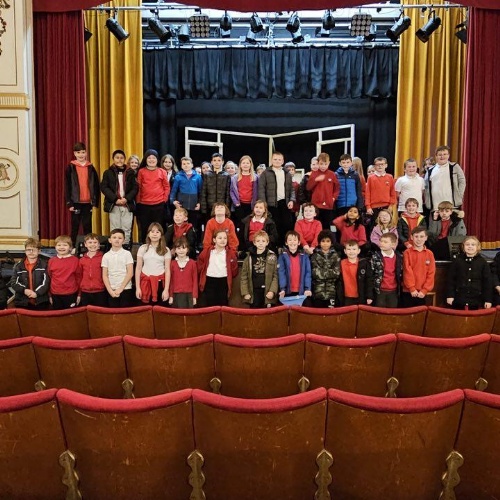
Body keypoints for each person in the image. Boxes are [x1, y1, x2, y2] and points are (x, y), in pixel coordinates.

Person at [65, 142, 100, 246]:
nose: (81, 155)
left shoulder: (90, 167)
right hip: (76, 202)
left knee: (87, 225)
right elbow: (67, 186)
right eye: (78, 152)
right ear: (74, 153)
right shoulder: (71, 167)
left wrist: (95, 201)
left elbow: (96, 185)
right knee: (75, 226)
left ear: (86, 153)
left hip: (88, 202)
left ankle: (89, 246)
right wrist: (69, 203)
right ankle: (72, 246)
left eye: (83, 152)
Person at [100, 149, 137, 246]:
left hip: (127, 204)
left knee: (127, 228)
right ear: (113, 159)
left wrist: (126, 199)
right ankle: (115, 247)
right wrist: (115, 199)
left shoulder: (130, 172)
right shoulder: (108, 172)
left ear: (124, 159)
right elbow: (104, 187)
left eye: (121, 158)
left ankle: (125, 247)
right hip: (114, 205)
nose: (119, 160)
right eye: (117, 158)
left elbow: (135, 188)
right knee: (115, 228)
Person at [258, 151, 295, 246]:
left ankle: (285, 245)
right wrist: (263, 204)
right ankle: (275, 246)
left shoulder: (287, 173)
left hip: (285, 203)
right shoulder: (265, 173)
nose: (277, 161)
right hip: (271, 204)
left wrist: (291, 200)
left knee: (287, 224)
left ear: (283, 161)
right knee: (275, 225)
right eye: (275, 159)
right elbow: (261, 189)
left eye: (279, 159)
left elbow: (292, 189)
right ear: (271, 160)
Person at [446, 236, 493, 310]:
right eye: (467, 244)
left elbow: (487, 282)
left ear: (478, 247)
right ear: (463, 246)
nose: (470, 246)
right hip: (459, 298)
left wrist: (488, 300)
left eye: (473, 244)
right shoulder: (457, 261)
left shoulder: (483, 262)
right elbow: (451, 280)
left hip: (476, 299)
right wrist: (450, 295)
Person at [136, 149, 170, 243]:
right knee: (145, 228)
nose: (151, 160)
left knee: (159, 227)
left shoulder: (162, 171)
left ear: (157, 159)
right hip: (144, 205)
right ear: (145, 159)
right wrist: (138, 202)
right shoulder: (141, 171)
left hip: (159, 204)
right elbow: (138, 187)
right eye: (149, 158)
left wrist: (164, 199)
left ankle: (159, 246)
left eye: (154, 158)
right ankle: (145, 246)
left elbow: (166, 187)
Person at [198, 229, 239, 306]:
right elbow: (200, 264)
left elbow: (234, 269)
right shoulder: (207, 252)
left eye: (225, 238)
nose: (223, 240)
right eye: (220, 238)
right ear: (214, 240)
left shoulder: (230, 253)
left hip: (223, 281)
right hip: (209, 281)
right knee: (210, 304)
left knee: (223, 303)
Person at [240, 230, 278, 308]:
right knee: (254, 313)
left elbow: (275, 276)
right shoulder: (248, 257)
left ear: (267, 242)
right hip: (253, 292)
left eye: (263, 241)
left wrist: (272, 291)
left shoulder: (272, 256)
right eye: (258, 241)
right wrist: (245, 292)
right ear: (254, 242)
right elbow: (244, 277)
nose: (261, 243)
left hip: (267, 292)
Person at [135, 223, 171, 305]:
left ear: (161, 235)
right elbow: (138, 268)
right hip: (145, 282)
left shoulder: (166, 250)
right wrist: (137, 288)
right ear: (148, 234)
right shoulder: (143, 248)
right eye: (152, 231)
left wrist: (166, 289)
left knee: (160, 310)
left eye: (157, 232)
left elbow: (167, 270)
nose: (155, 234)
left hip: (160, 283)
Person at [10, 238, 50, 309]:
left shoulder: (45, 265)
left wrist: (37, 293)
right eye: (28, 249)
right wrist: (24, 290)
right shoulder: (18, 266)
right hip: (22, 301)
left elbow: (46, 282)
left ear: (39, 251)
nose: (31, 252)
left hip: (41, 301)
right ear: (25, 251)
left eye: (34, 250)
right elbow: (13, 282)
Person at [425, 145, 466, 213]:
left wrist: (459, 195)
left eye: (444, 154)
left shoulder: (455, 167)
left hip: (451, 206)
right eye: (440, 155)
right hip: (435, 206)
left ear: (448, 155)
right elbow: (426, 187)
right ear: (436, 156)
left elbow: (462, 181)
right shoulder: (430, 170)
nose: (442, 156)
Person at [401, 228, 436, 307]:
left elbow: (431, 273)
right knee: (407, 312)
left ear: (426, 238)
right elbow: (407, 271)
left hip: (422, 292)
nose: (419, 239)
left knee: (420, 313)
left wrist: (425, 290)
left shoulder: (430, 254)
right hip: (409, 291)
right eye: (416, 236)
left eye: (421, 236)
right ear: (411, 237)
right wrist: (412, 288)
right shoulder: (407, 252)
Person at [169, 156, 203, 236]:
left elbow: (201, 191)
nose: (186, 165)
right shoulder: (178, 177)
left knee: (194, 226)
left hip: (193, 206)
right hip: (182, 206)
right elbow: (174, 191)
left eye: (188, 163)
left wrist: (200, 203)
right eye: (184, 164)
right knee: (181, 226)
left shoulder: (198, 177)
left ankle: (194, 242)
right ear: (181, 166)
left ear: (192, 165)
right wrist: (173, 201)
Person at [306, 152, 340, 229]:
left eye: (325, 164)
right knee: (316, 226)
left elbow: (337, 188)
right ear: (318, 163)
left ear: (329, 163)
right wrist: (316, 180)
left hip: (328, 206)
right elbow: (308, 188)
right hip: (316, 205)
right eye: (321, 164)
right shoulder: (314, 174)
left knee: (327, 226)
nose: (323, 166)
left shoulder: (332, 174)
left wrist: (333, 198)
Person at [230, 155, 258, 247]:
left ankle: (249, 245)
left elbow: (257, 191)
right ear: (240, 165)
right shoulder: (235, 178)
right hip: (239, 205)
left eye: (247, 163)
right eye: (243, 163)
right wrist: (236, 203)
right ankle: (240, 246)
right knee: (241, 226)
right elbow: (232, 191)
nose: (245, 165)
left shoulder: (256, 178)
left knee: (250, 226)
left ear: (251, 164)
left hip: (251, 206)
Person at [102, 228, 134, 308]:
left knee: (125, 311)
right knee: (113, 312)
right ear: (110, 240)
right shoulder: (106, 256)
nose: (117, 240)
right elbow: (104, 275)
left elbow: (130, 273)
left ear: (123, 241)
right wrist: (110, 290)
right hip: (111, 289)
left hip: (125, 288)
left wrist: (121, 288)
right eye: (114, 237)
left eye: (120, 238)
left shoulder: (127, 254)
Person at [47, 235, 81, 310]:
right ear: (55, 247)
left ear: (70, 248)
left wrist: (79, 294)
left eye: (65, 245)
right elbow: (49, 278)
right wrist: (50, 295)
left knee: (71, 315)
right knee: (57, 315)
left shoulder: (75, 261)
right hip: (55, 294)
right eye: (59, 245)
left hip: (71, 294)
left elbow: (79, 278)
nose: (61, 247)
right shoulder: (51, 261)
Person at [337, 240, 374, 306]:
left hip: (361, 296)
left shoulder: (364, 263)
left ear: (358, 251)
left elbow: (369, 280)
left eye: (354, 249)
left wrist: (369, 296)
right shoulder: (341, 263)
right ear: (345, 251)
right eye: (349, 249)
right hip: (346, 297)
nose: (351, 251)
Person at [278, 230, 312, 301]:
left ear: (299, 242)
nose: (292, 242)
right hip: (287, 292)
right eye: (290, 240)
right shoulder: (282, 256)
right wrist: (283, 289)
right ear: (286, 243)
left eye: (295, 240)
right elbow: (281, 273)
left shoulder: (304, 256)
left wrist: (307, 288)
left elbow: (308, 273)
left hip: (302, 292)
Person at [371, 232, 402, 308]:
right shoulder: (375, 256)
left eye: (385, 242)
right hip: (379, 290)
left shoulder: (398, 257)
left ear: (393, 244)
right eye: (381, 241)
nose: (382, 243)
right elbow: (371, 274)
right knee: (379, 311)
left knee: (392, 311)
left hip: (393, 290)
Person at [310, 230, 340, 308]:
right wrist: (330, 273)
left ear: (331, 242)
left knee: (331, 314)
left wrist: (322, 272)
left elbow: (336, 273)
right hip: (318, 292)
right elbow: (314, 273)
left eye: (328, 241)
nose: (325, 243)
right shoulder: (314, 256)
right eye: (323, 241)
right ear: (319, 243)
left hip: (332, 293)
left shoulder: (336, 256)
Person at [365, 157, 396, 227]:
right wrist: (368, 207)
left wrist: (391, 205)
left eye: (382, 164)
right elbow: (367, 193)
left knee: (387, 226)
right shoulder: (371, 178)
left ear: (386, 165)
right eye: (378, 164)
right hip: (374, 207)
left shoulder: (390, 177)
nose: (380, 166)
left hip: (387, 206)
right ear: (375, 166)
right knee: (375, 226)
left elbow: (392, 193)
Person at [168, 237, 198, 308]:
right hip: (176, 295)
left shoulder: (193, 263)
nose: (181, 250)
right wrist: (171, 296)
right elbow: (170, 281)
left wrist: (194, 296)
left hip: (189, 295)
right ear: (175, 250)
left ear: (187, 249)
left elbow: (195, 281)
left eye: (183, 248)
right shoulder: (172, 264)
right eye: (178, 248)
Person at [78, 233, 107, 307]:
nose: (92, 244)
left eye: (95, 242)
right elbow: (79, 277)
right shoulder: (81, 260)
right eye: (90, 242)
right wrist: (79, 294)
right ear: (85, 244)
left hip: (100, 291)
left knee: (100, 312)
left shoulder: (103, 258)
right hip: (85, 291)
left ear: (99, 244)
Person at [160, 154, 178, 225]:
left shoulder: (176, 174)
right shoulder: (159, 172)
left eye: (169, 162)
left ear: (173, 163)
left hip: (172, 201)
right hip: (161, 200)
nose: (167, 164)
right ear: (162, 162)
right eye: (166, 162)